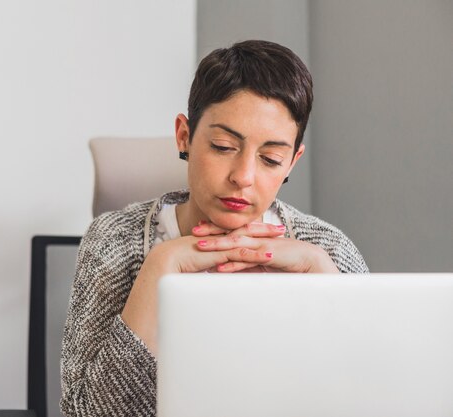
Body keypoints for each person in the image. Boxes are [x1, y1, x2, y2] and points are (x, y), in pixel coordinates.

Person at [60, 40, 368, 417]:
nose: (243, 177)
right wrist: (159, 268)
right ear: (184, 136)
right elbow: (85, 413)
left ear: (292, 162)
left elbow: (375, 398)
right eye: (223, 146)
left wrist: (325, 278)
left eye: (271, 159)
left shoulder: (329, 250)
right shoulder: (113, 243)